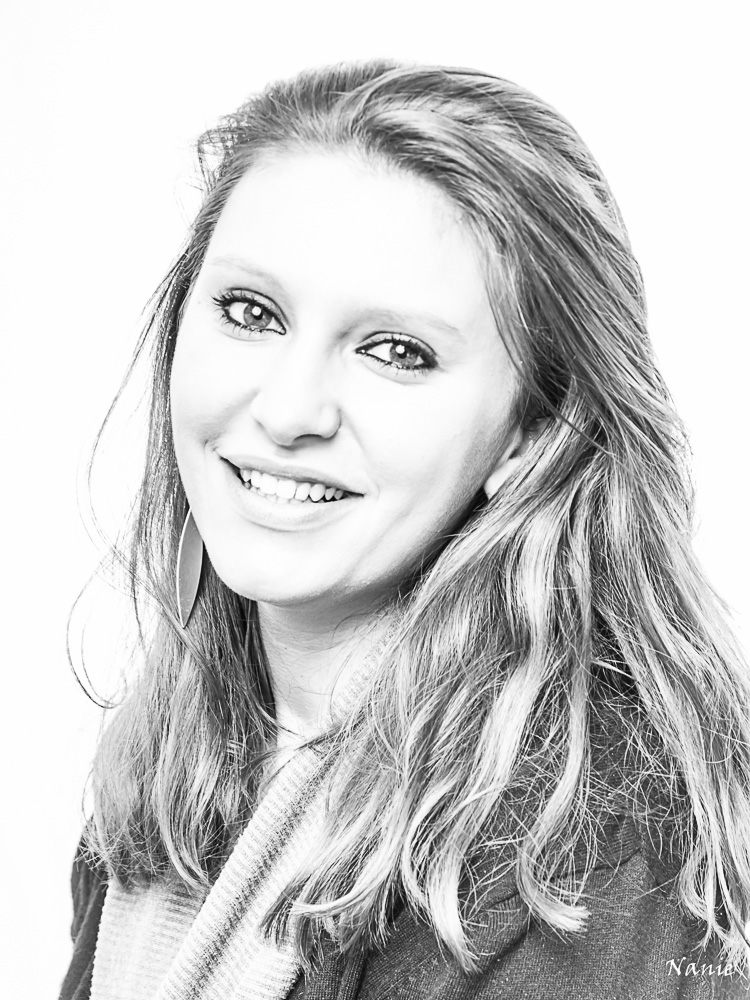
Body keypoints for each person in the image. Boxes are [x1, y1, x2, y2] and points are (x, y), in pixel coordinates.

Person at [59, 59, 750, 999]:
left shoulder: (586, 865)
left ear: (532, 433)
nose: (289, 410)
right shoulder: (173, 770)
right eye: (251, 313)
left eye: (397, 351)